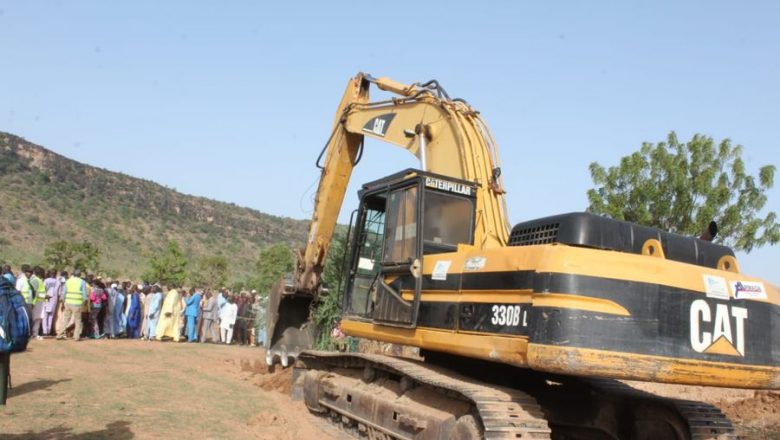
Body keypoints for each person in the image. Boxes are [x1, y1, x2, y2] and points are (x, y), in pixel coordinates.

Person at [56, 270, 88, 341]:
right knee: (78, 320)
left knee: (65, 319)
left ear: (73, 274)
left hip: (68, 302)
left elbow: (64, 292)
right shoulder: (82, 282)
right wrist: (85, 301)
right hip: (77, 303)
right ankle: (76, 336)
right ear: (80, 275)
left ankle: (59, 334)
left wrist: (62, 300)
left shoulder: (68, 281)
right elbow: (84, 294)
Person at [29, 267, 47, 340]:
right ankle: (32, 333)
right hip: (36, 302)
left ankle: (35, 333)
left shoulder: (38, 280)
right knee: (35, 318)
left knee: (38, 318)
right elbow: (35, 293)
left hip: (40, 301)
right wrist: (44, 296)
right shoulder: (35, 280)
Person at [42, 270, 59, 336]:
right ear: (55, 274)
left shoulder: (46, 281)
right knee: (51, 316)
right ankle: (48, 331)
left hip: (46, 298)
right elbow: (59, 293)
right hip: (54, 299)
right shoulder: (58, 282)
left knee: (45, 315)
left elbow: (43, 289)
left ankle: (44, 331)